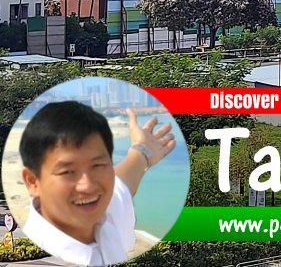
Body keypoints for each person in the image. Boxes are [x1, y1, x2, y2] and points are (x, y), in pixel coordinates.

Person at [19, 101, 176, 266]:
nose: (87, 186)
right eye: (67, 172)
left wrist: (142, 151)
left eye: (98, 165)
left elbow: (122, 184)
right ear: (32, 181)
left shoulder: (104, 216)